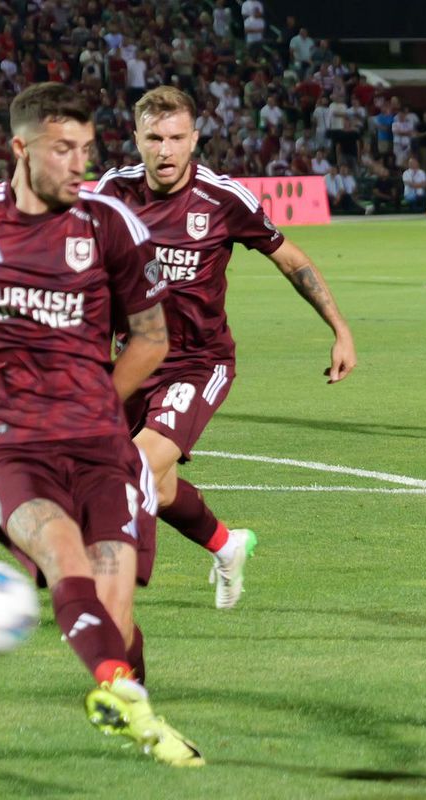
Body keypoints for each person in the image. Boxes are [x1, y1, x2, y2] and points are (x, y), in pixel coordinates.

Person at [0, 83, 203, 767]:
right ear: (21, 148)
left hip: (99, 443)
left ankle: (133, 707)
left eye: (87, 149)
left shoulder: (110, 225)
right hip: (7, 444)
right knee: (65, 553)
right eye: (63, 149)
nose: (80, 164)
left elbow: (152, 338)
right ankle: (115, 691)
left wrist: (97, 400)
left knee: (116, 598)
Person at [96, 87, 357, 608]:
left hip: (197, 363)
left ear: (194, 139)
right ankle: (226, 544)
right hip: (129, 361)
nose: (165, 150)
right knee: (161, 489)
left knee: (132, 471)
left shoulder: (222, 199)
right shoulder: (112, 192)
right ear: (136, 139)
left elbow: (291, 260)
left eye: (176, 138)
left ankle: (97, 601)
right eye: (154, 138)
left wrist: (340, 329)